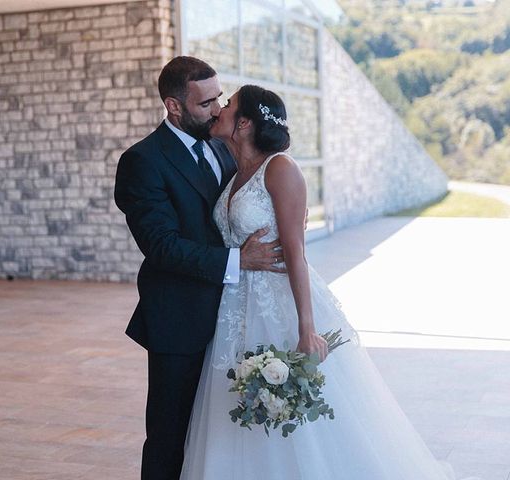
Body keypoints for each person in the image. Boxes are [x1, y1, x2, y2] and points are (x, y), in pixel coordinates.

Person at [180, 85, 472, 479]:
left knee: (296, 413)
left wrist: (307, 328)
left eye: (228, 105)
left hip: (278, 304)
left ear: (246, 122)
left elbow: (296, 252)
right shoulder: (235, 172)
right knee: (237, 409)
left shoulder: (280, 168)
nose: (219, 110)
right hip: (235, 308)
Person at [114, 57, 287, 480]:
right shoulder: (142, 161)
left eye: (219, 99)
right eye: (206, 102)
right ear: (174, 106)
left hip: (235, 316)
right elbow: (161, 245)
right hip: (180, 317)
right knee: (170, 434)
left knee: (221, 429)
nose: (217, 109)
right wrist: (237, 260)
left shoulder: (223, 146)